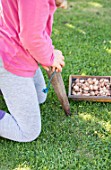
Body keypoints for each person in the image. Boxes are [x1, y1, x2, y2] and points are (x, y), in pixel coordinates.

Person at [0, 0, 66, 142]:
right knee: (28, 132)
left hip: (19, 48)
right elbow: (32, 38)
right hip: (9, 55)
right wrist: (50, 58)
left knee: (40, 96)